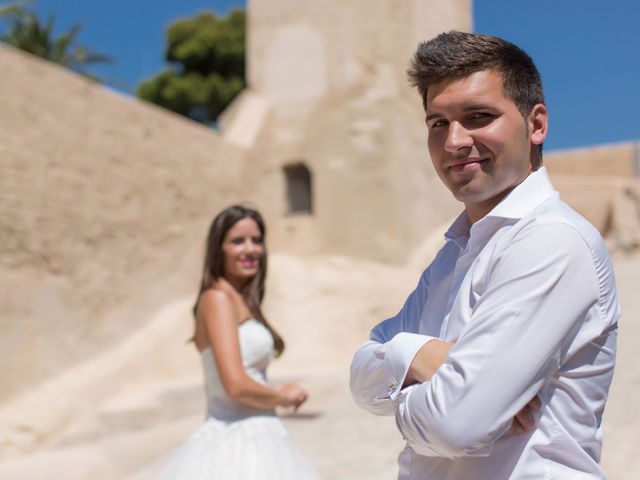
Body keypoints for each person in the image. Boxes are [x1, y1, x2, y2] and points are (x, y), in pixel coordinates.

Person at [350, 31, 619, 480]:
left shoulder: (551, 241)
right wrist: (418, 354)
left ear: (536, 125)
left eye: (478, 117)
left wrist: (401, 367)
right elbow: (360, 376)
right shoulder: (453, 254)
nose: (455, 141)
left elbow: (454, 425)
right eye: (438, 123)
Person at [143, 205, 319, 479]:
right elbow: (235, 385)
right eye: (238, 241)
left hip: (261, 436)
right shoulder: (218, 299)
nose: (250, 249)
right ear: (219, 249)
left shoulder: (239, 298)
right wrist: (281, 395)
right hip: (237, 443)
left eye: (256, 240)